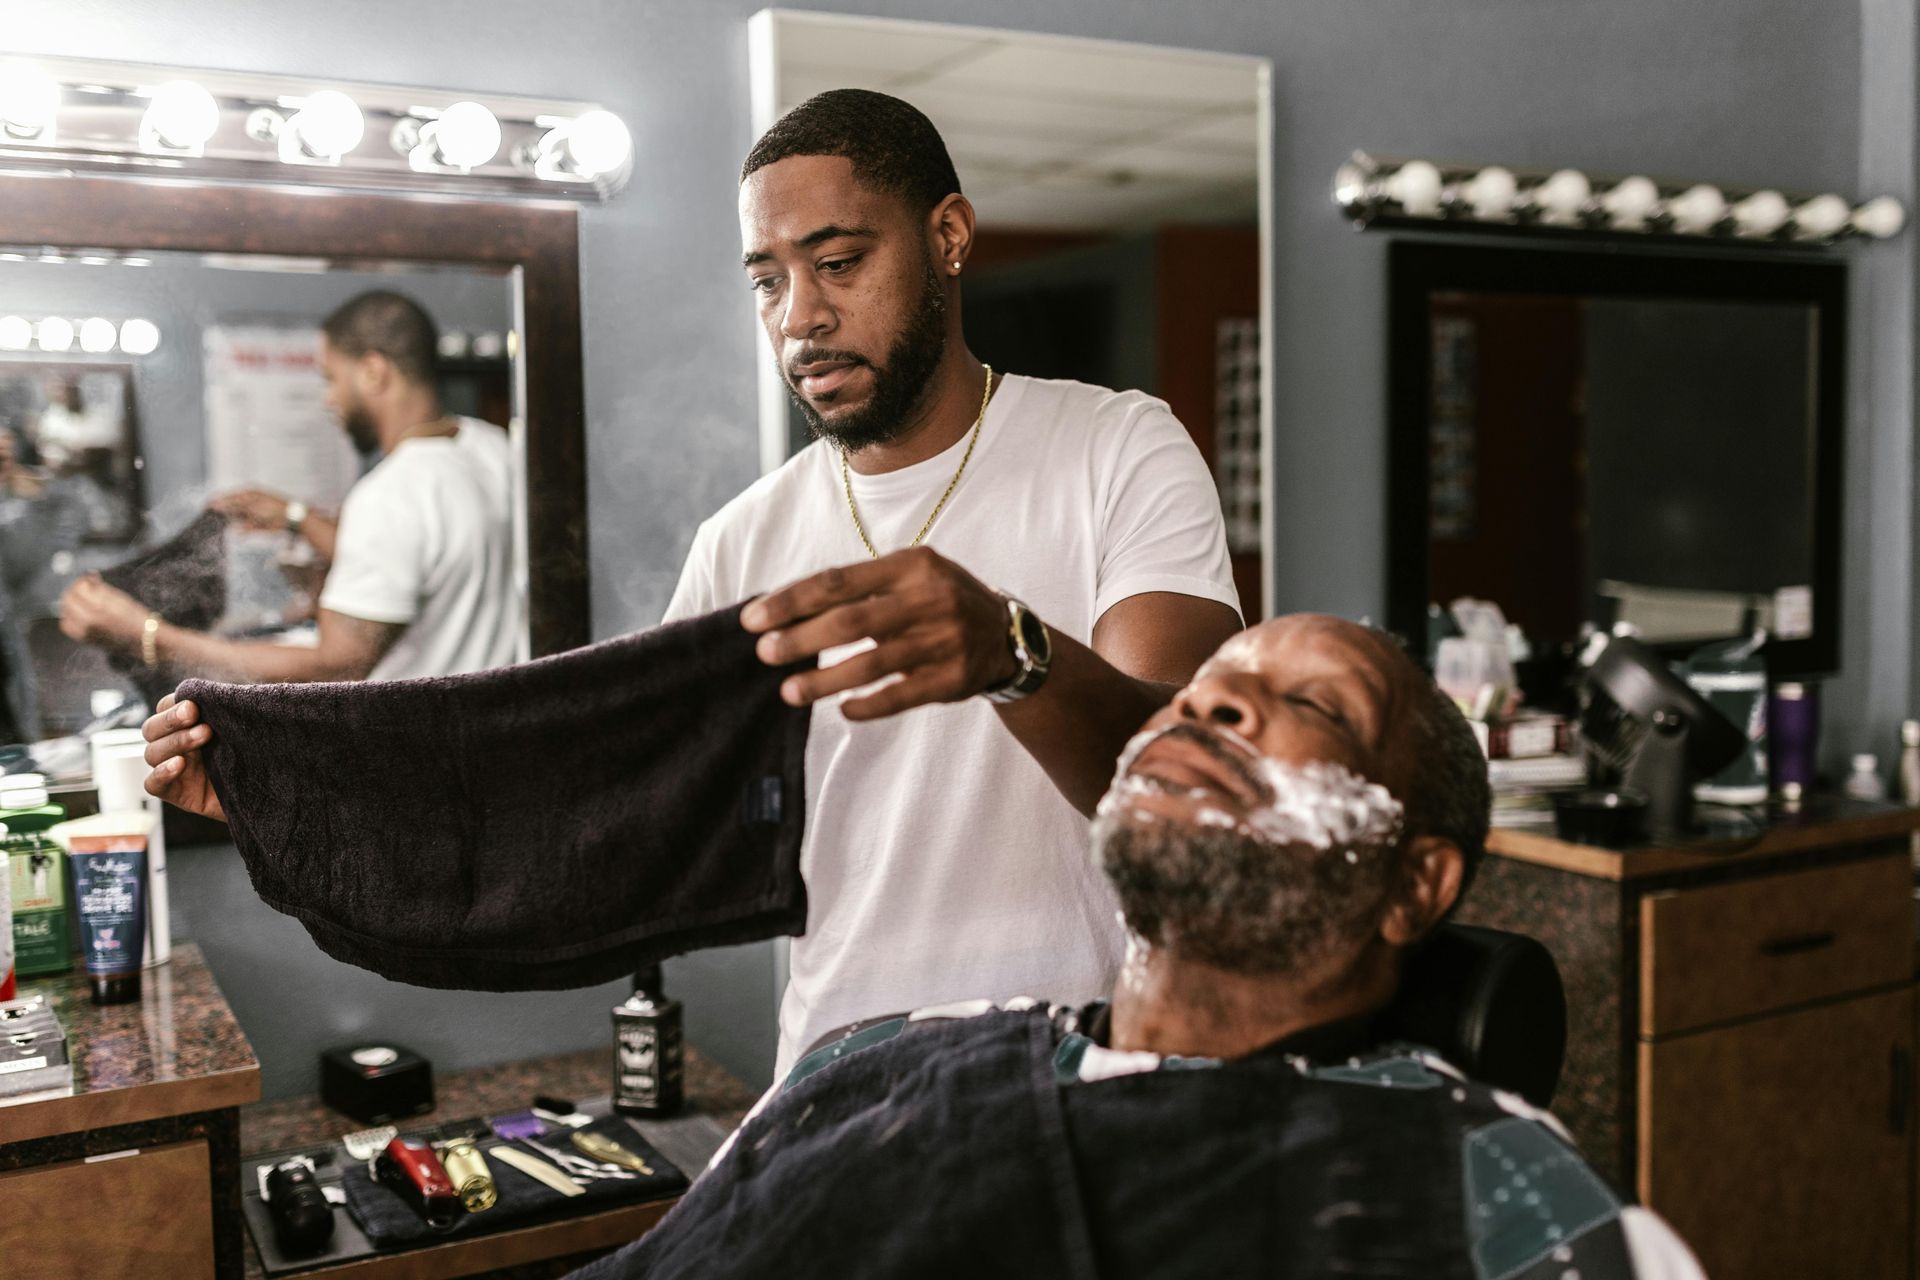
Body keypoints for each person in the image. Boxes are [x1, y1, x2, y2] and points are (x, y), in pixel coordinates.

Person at [143, 90, 1245, 1078]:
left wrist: (1013, 653)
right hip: (845, 1079)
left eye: (840, 261)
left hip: (1096, 1066)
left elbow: (1183, 797)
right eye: (768, 278)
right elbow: (592, 827)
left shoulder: (1116, 447)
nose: (799, 315)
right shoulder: (743, 541)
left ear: (948, 238)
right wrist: (278, 789)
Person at [567, 614, 1705, 1280]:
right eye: (1203, 691)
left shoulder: (1493, 1189)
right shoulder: (864, 1063)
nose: (1214, 707)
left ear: (1415, 884)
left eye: (1314, 705)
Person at [59, 290, 520, 683]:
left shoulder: (392, 493)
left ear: (374, 372)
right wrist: (296, 516)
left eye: (331, 379)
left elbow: (336, 666)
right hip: (490, 730)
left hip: (425, 757)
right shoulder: (490, 447)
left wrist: (147, 636)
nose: (328, 399)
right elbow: (414, 554)